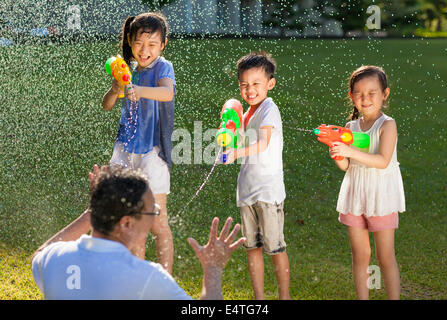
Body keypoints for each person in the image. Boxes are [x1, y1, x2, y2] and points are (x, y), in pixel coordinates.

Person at [31, 165, 246, 300]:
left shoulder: (56, 259)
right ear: (127, 223)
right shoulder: (148, 278)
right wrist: (213, 268)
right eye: (151, 212)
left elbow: (40, 254)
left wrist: (92, 212)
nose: (154, 218)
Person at [101, 12, 175, 273]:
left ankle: (165, 278)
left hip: (152, 153)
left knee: (158, 220)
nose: (145, 51)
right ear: (130, 42)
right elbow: (107, 105)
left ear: (163, 45)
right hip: (125, 149)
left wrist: (139, 90)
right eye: (139, 44)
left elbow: (167, 93)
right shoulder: (128, 70)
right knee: (130, 219)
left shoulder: (163, 67)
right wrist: (114, 88)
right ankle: (135, 274)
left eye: (152, 44)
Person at [330, 65, 405, 300]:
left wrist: (350, 150)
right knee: (360, 255)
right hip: (355, 196)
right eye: (359, 94)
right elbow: (347, 167)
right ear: (351, 96)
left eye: (372, 93)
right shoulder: (350, 128)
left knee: (384, 257)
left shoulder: (387, 125)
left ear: (385, 94)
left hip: (380, 197)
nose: (365, 99)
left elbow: (383, 161)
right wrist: (339, 154)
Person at [222, 51, 291, 300]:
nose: (250, 90)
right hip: (247, 190)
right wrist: (228, 132)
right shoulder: (247, 113)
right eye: (244, 85)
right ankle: (259, 298)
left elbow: (262, 143)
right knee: (252, 248)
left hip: (268, 192)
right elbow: (236, 140)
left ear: (270, 84)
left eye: (256, 84)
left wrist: (235, 153)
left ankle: (285, 296)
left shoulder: (269, 109)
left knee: (275, 248)